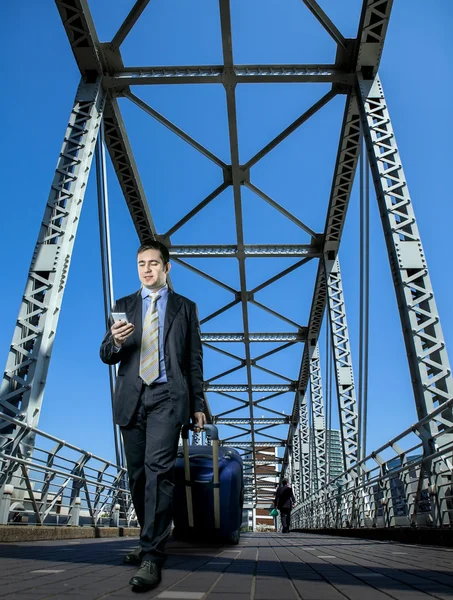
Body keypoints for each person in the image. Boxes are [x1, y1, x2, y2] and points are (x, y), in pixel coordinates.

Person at [100, 241, 206, 591]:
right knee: (138, 477)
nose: (147, 269)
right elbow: (106, 354)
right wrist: (115, 342)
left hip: (166, 397)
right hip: (132, 397)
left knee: (159, 473)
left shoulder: (185, 308)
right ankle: (150, 538)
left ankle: (152, 556)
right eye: (141, 264)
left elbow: (193, 361)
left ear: (167, 267)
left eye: (153, 263)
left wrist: (198, 405)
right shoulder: (124, 306)